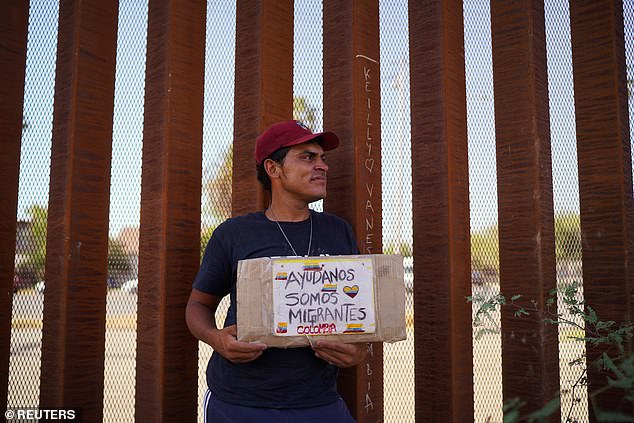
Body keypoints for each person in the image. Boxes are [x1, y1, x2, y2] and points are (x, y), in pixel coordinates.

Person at [186, 120, 367, 422]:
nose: (322, 166)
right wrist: (216, 339)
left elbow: (358, 316)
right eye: (308, 157)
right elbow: (198, 305)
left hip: (318, 402)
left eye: (323, 158)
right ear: (273, 168)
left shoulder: (338, 231)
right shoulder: (234, 234)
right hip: (239, 402)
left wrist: (357, 352)